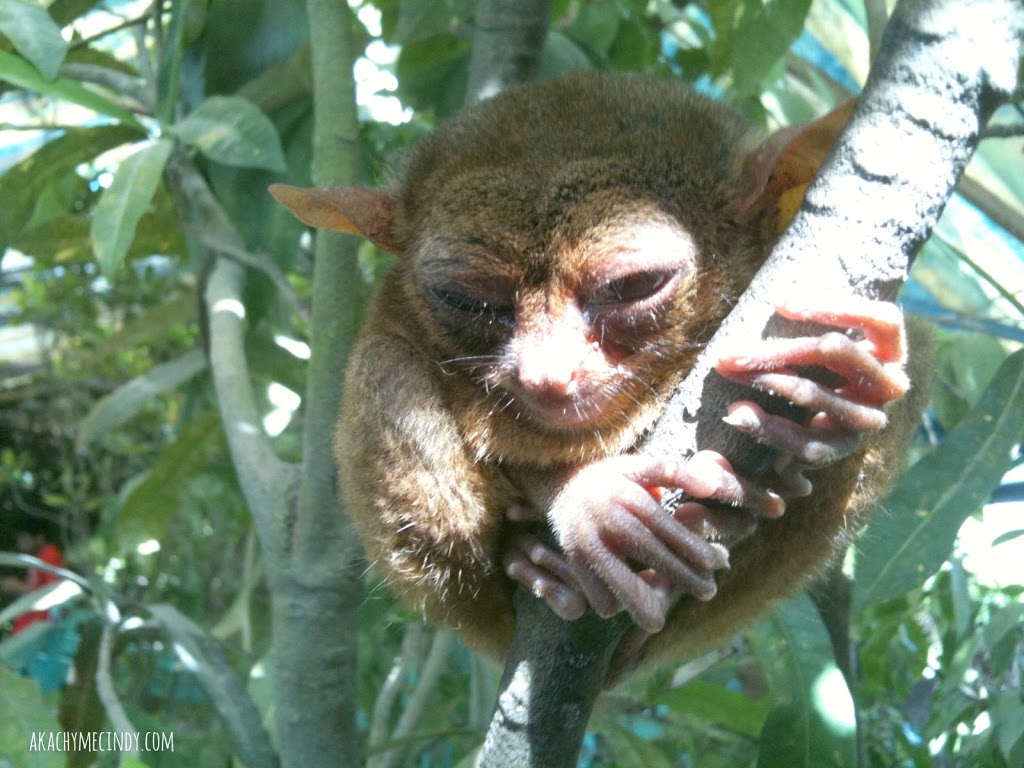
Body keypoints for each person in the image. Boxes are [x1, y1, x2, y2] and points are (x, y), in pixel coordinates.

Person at [1, 517, 65, 635]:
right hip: (28, 629)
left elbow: (53, 593)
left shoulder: (50, 554)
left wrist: (19, 587)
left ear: (39, 538)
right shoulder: (38, 559)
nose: (20, 543)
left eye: (24, 537)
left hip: (38, 629)